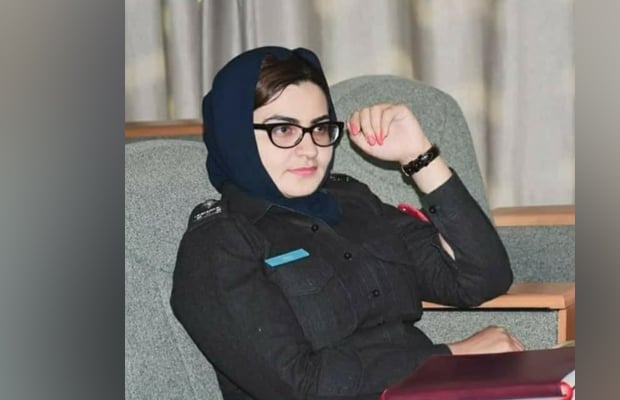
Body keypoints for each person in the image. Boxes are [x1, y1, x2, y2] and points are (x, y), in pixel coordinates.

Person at [171, 46, 524, 400]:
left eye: (320, 128)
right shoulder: (219, 244)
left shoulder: (354, 202)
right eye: (283, 129)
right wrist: (451, 359)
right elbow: (299, 386)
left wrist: (419, 156)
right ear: (235, 136)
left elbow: (482, 278)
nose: (310, 149)